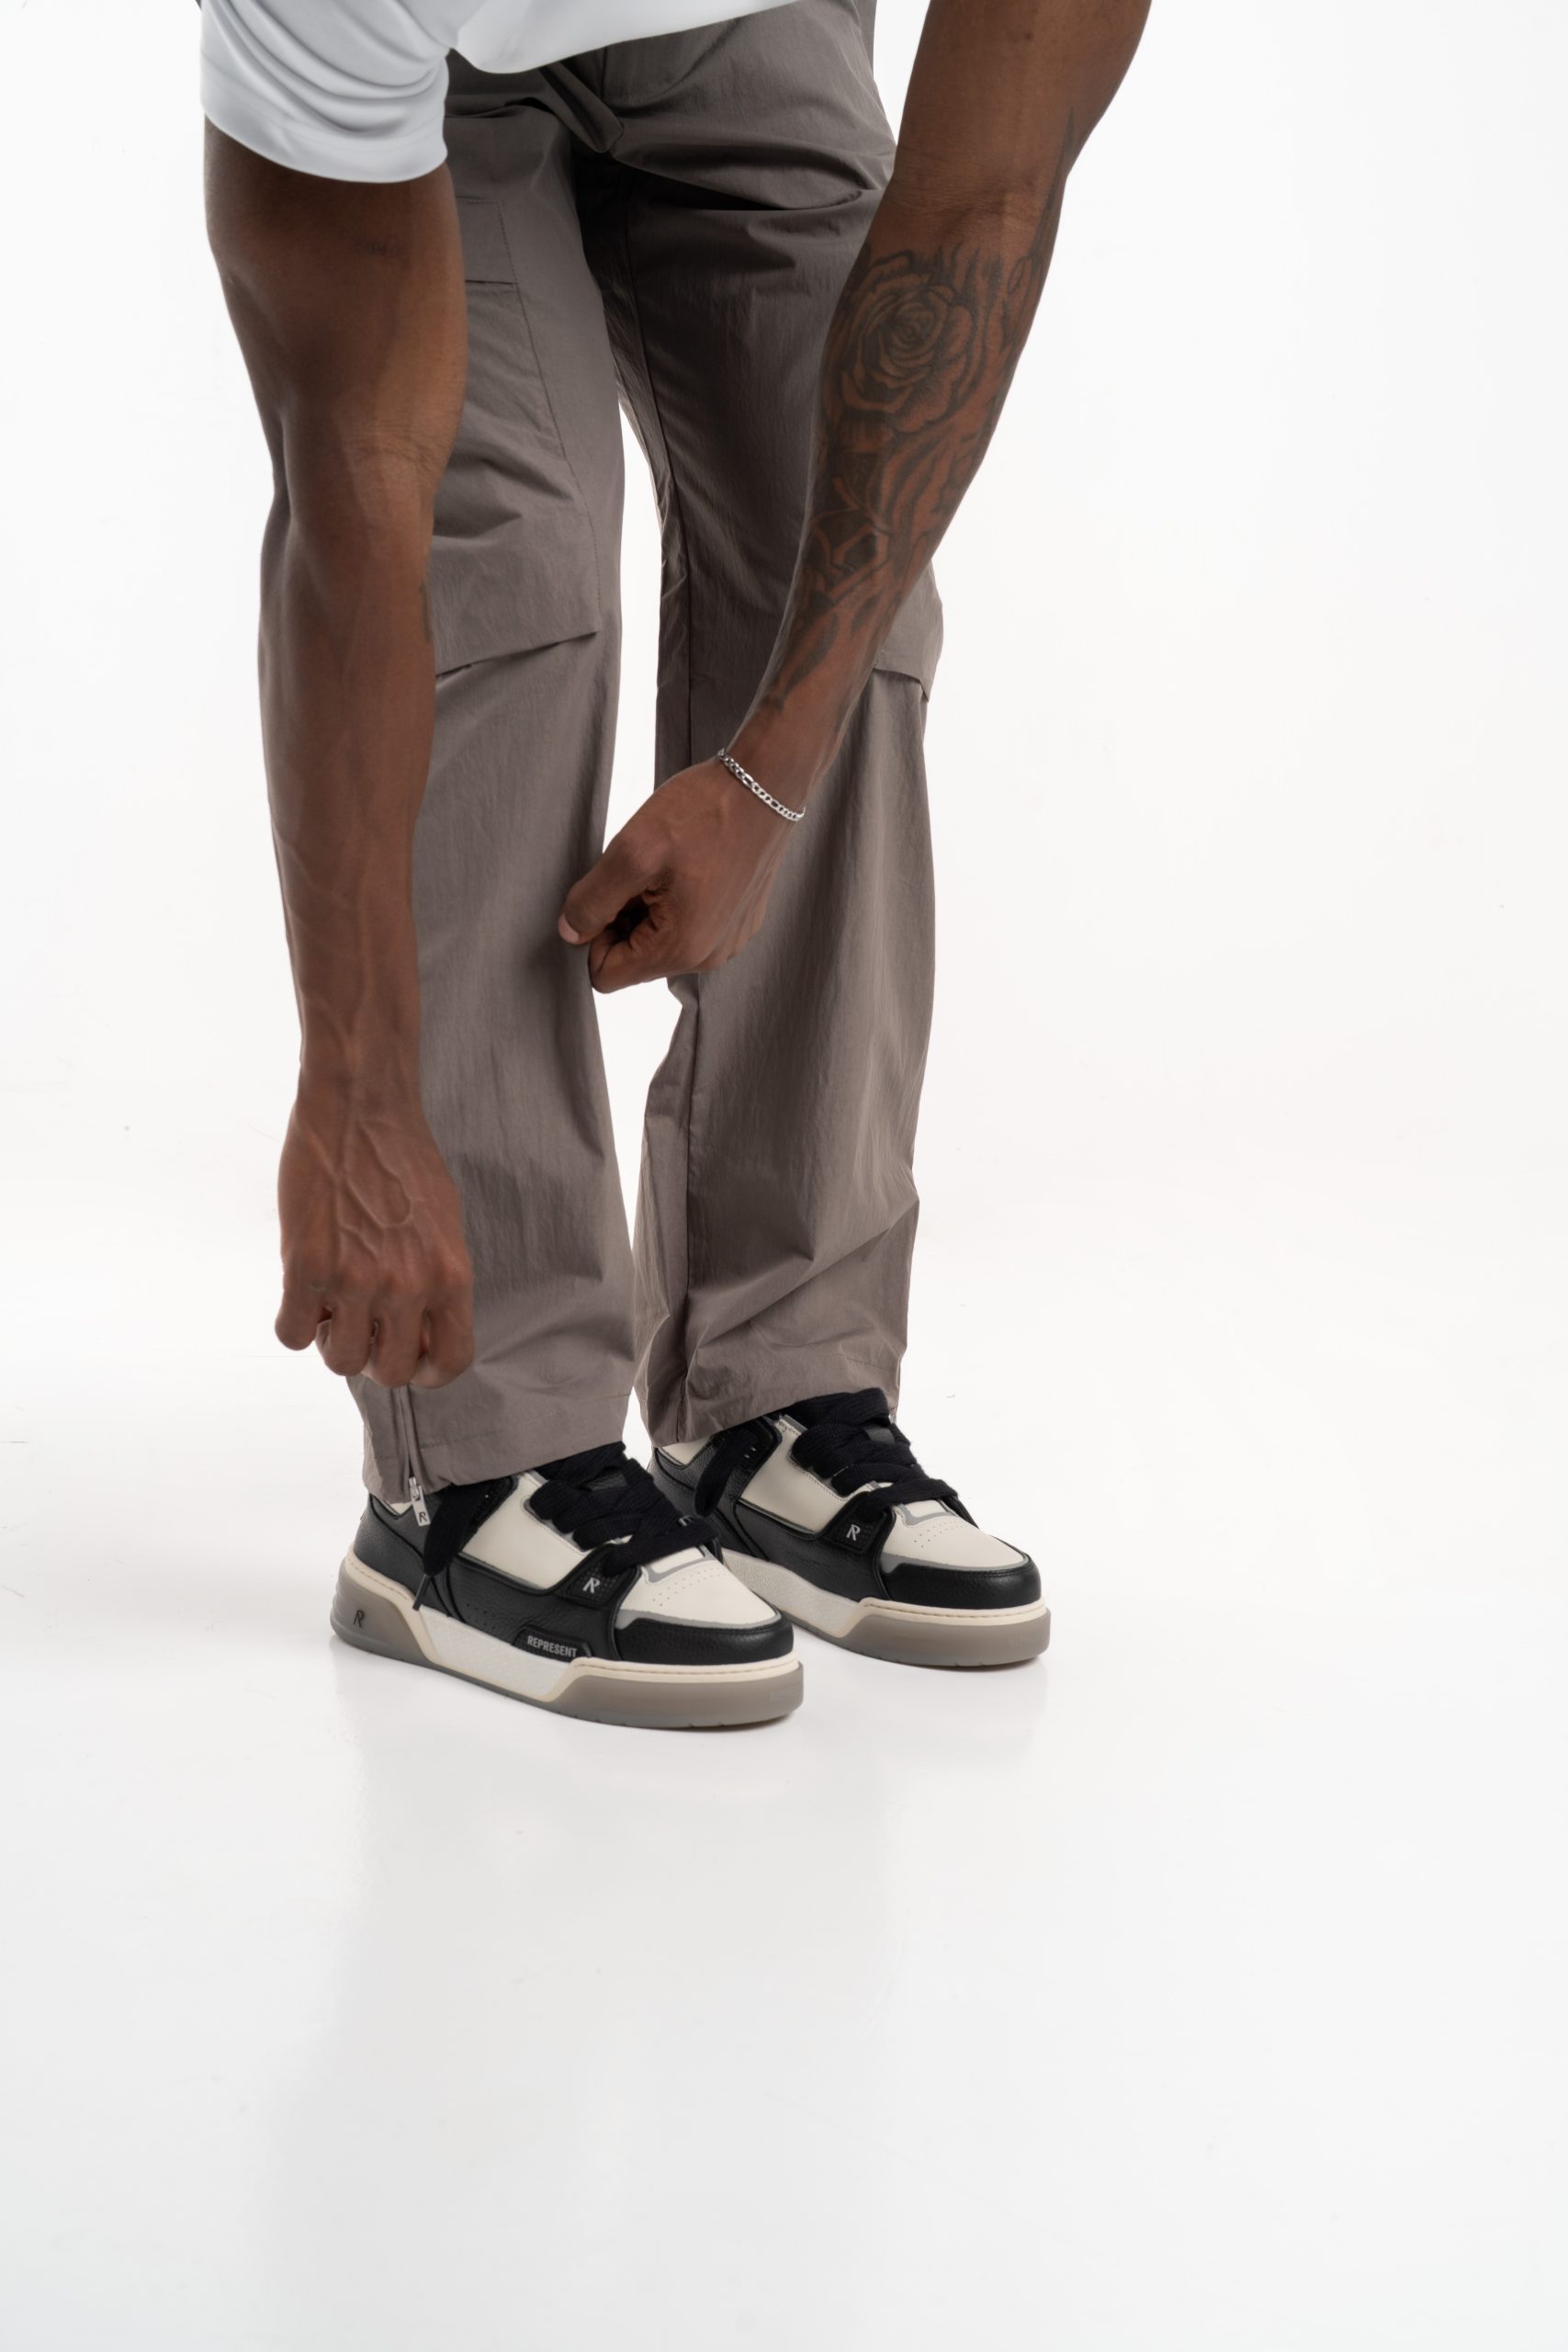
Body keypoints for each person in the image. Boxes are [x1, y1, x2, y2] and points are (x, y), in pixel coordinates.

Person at [203, 0, 1149, 1727]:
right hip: (434, 50)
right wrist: (356, 1090)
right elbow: (355, 500)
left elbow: (984, 207)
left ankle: (777, 1387)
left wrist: (769, 774)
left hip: (744, 22)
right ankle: (476, 1451)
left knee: (839, 535)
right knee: (505, 568)